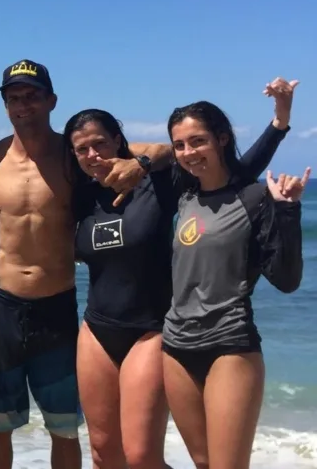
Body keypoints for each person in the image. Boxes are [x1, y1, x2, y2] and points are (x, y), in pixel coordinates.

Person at [62, 77, 294, 469]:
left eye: (100, 143)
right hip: (97, 327)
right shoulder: (81, 195)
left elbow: (233, 173)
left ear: (119, 141)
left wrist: (279, 125)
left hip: (152, 329)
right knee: (102, 452)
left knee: (141, 457)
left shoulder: (161, 185)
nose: (92, 155)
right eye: (82, 149)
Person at [0, 59, 172, 469]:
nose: (23, 105)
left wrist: (138, 165)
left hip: (56, 305)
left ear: (51, 100)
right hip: (0, 305)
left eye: (32, 96)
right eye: (14, 98)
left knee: (64, 425)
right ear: (5, 105)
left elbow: (163, 151)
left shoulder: (76, 156)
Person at [162, 97, 305, 469]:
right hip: (175, 345)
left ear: (221, 139)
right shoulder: (184, 197)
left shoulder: (254, 197)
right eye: (179, 145)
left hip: (229, 343)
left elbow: (287, 280)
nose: (189, 152)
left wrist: (287, 211)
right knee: (203, 462)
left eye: (198, 141)